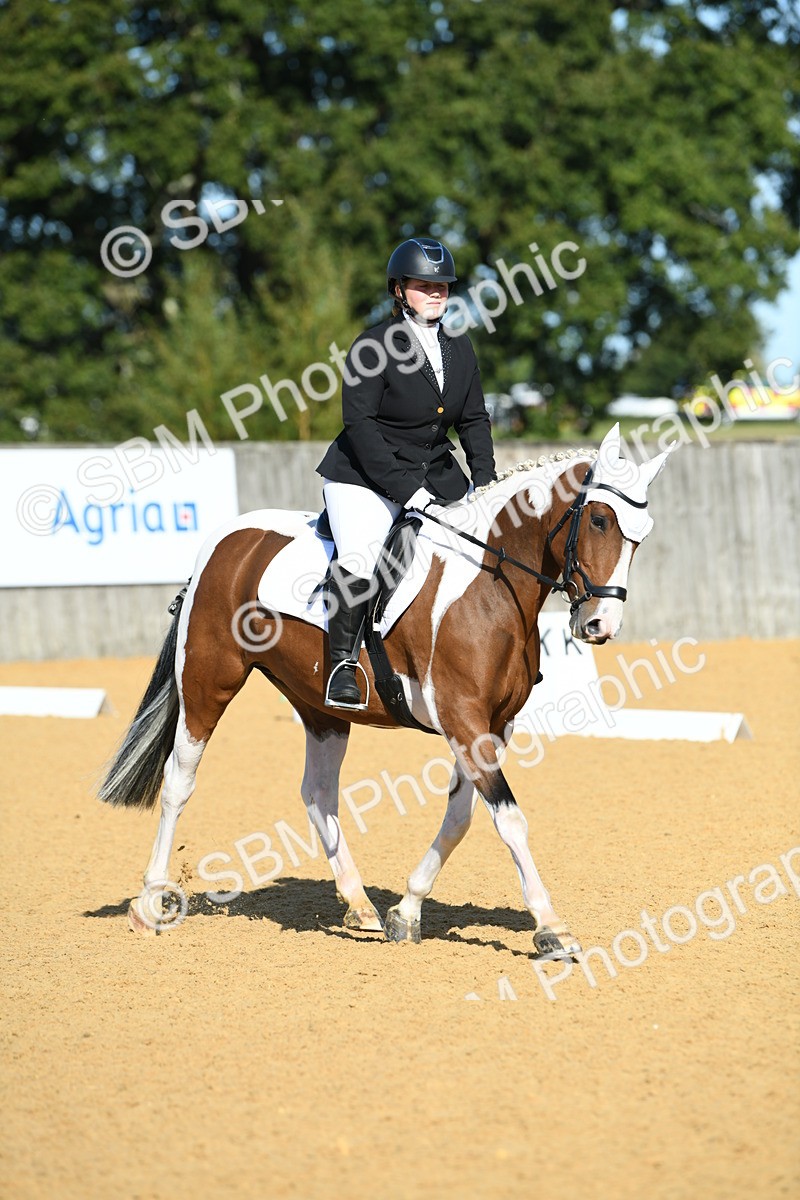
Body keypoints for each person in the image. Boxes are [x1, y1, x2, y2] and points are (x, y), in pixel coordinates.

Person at [316, 236, 497, 708]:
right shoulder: (373, 345)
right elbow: (359, 425)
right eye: (423, 285)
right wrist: (405, 490)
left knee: (482, 546)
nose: (436, 292)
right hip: (365, 476)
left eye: (442, 285)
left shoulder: (459, 347)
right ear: (398, 290)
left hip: (436, 474)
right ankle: (341, 666)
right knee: (361, 557)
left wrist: (485, 481)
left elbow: (473, 419)